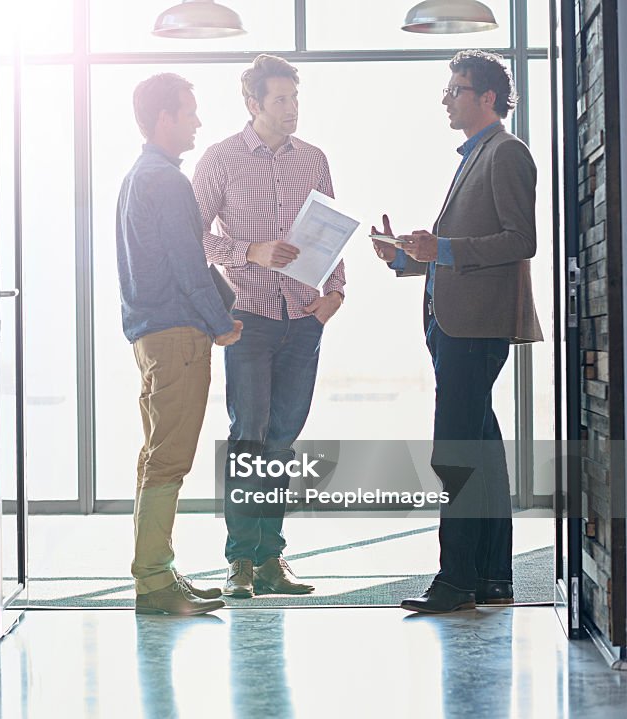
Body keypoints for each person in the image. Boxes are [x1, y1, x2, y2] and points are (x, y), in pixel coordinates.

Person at [371, 49, 543, 613]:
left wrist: (440, 248)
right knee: (482, 453)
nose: (446, 98)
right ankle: (493, 576)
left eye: (456, 89)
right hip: (456, 326)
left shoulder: (506, 153)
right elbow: (457, 251)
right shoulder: (476, 156)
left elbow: (521, 241)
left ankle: (456, 581)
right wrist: (406, 257)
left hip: (474, 329)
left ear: (486, 96)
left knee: (456, 453)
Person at [193, 54, 343, 598]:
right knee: (249, 437)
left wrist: (336, 293)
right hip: (248, 317)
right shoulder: (221, 159)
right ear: (253, 103)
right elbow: (193, 237)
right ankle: (239, 563)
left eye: (295, 98)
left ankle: (271, 561)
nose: (291, 109)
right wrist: (248, 250)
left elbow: (331, 229)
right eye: (280, 99)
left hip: (304, 316)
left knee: (282, 441)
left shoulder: (313, 159)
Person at [116, 73, 243, 616]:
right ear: (163, 117)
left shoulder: (139, 176)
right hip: (177, 335)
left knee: (156, 457)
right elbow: (189, 263)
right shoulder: (166, 182)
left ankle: (159, 572)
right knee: (169, 461)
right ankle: (153, 582)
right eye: (189, 112)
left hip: (151, 333)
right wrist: (221, 321)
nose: (197, 121)